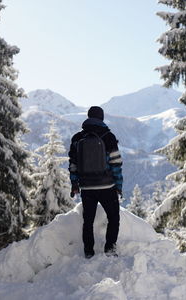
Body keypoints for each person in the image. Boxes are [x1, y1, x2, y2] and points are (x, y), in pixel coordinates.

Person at [68, 106, 123, 258]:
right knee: (113, 218)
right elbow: (116, 163)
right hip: (107, 186)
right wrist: (118, 185)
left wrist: (75, 184)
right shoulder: (108, 136)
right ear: (102, 118)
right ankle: (110, 249)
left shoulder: (77, 138)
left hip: (87, 187)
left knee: (88, 221)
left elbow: (73, 164)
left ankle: (88, 252)